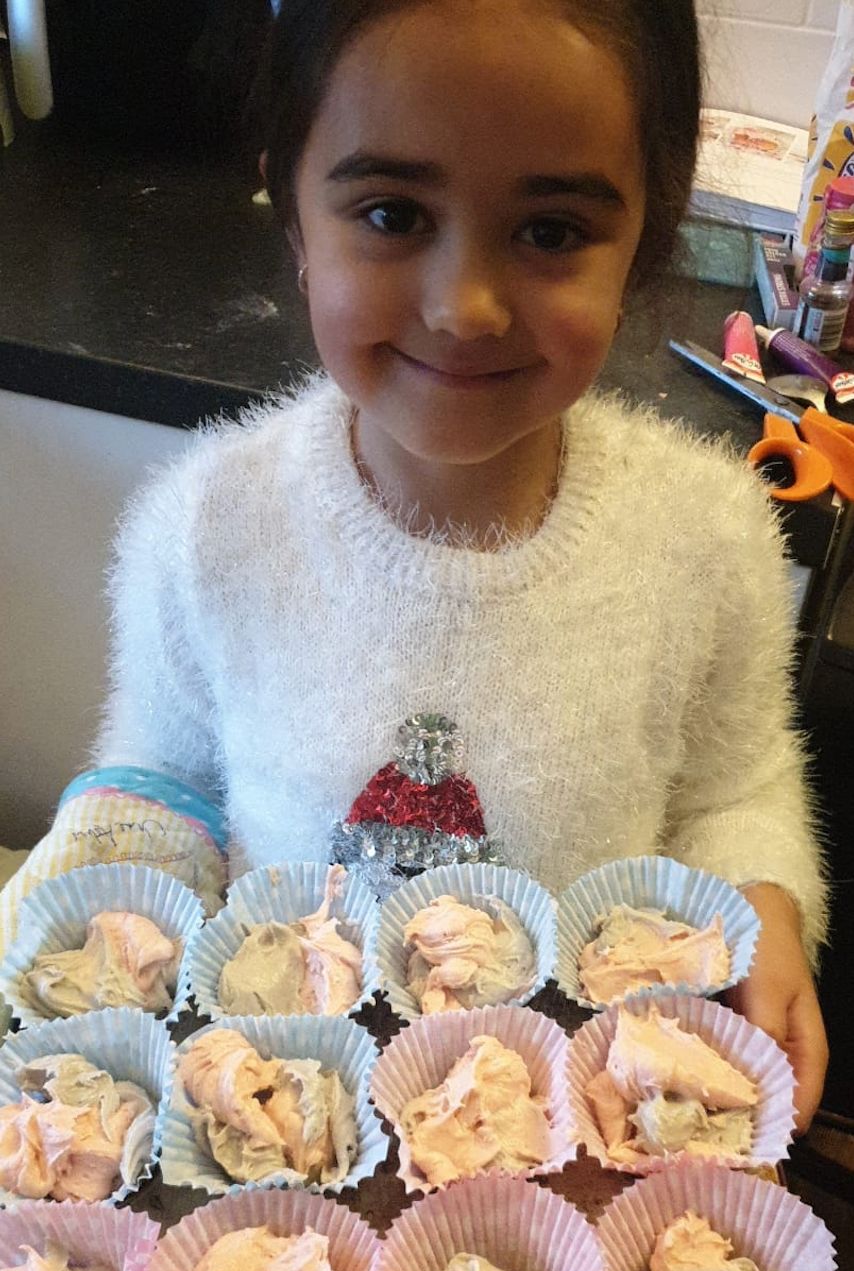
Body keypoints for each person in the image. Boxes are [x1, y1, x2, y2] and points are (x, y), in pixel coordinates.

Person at [1, 0, 828, 1133]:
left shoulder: (708, 532)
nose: (464, 305)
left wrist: (764, 899)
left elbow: (735, 786)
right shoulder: (206, 525)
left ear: (650, 229)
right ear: (291, 213)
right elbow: (164, 778)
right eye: (391, 213)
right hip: (285, 1126)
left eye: (547, 231)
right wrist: (85, 878)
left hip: (576, 1135)